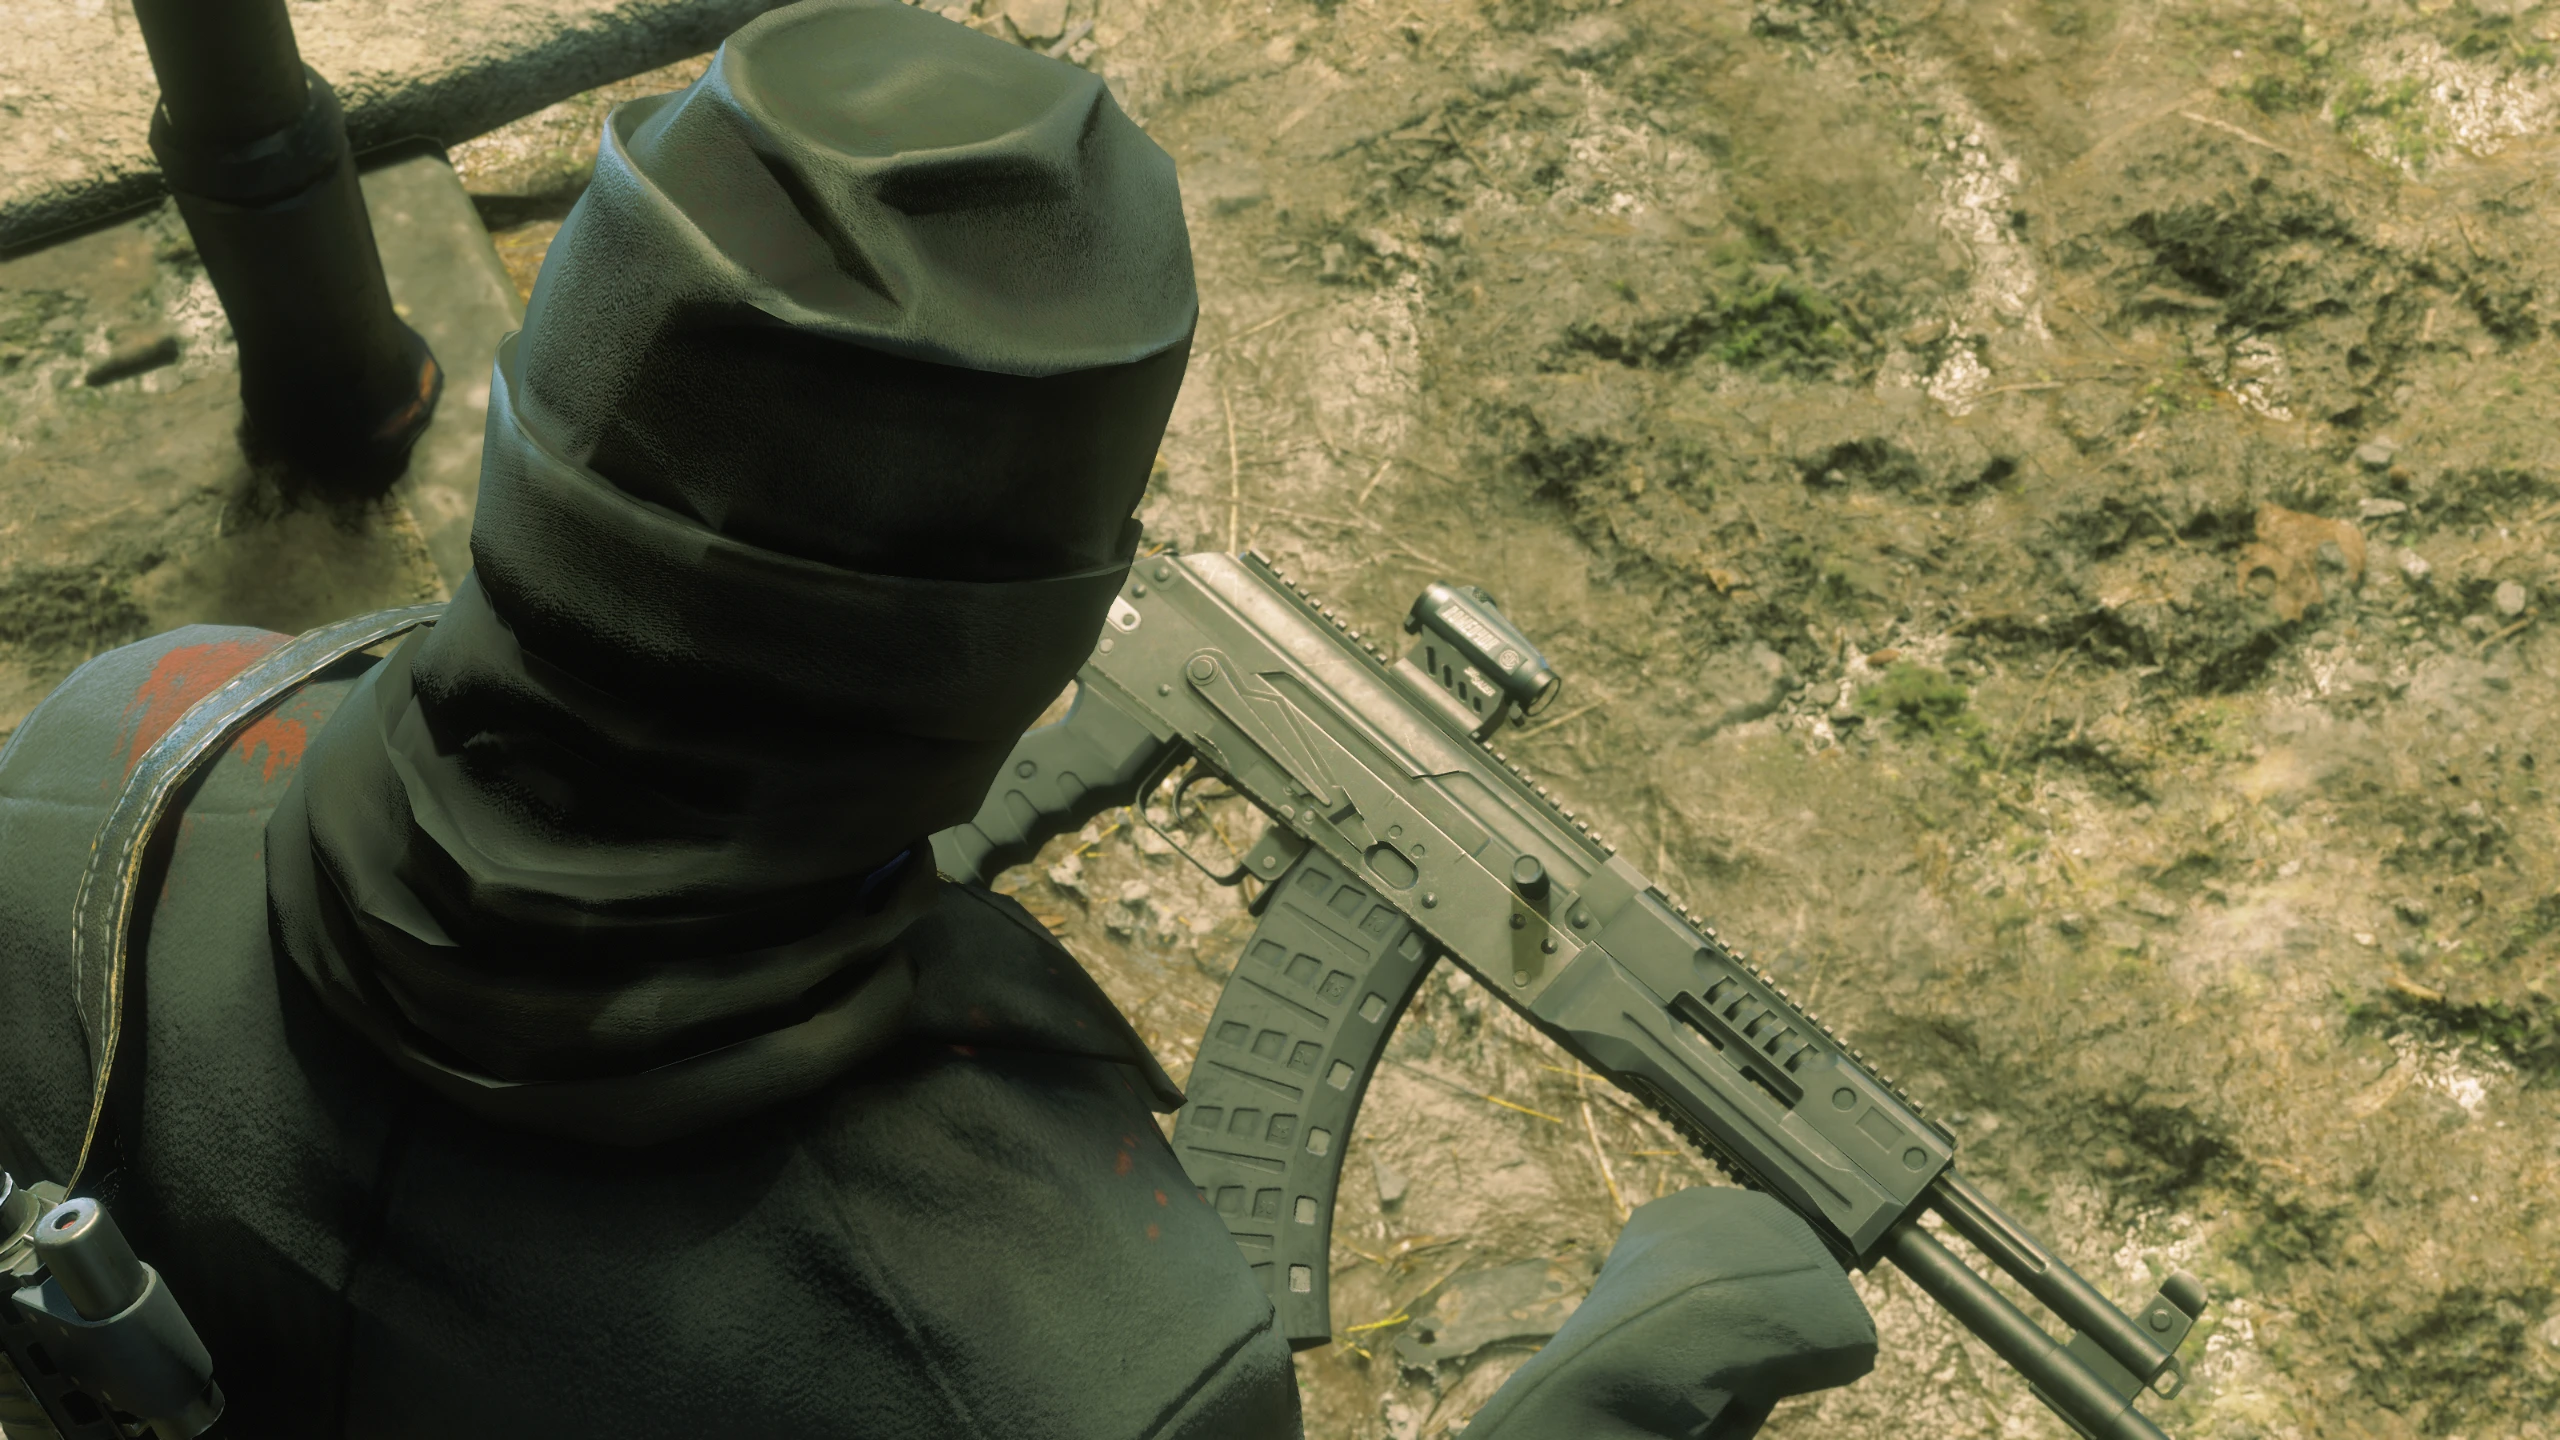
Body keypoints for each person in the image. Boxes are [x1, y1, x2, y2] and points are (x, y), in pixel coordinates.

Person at [0, 3, 1874, 1435]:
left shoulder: (107, 766)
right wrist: (1614, 1393)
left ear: (538, 424)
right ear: (1022, 651)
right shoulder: (1093, 1359)